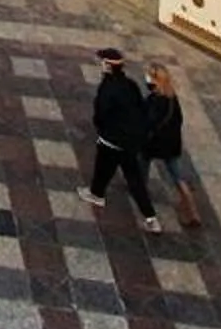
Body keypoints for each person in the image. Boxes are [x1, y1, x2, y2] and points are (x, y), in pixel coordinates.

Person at [87, 46, 163, 231]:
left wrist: (101, 129)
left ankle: (97, 195)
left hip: (111, 138)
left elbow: (101, 112)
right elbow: (139, 108)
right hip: (130, 141)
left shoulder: (108, 87)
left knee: (103, 166)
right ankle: (150, 218)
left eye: (102, 62)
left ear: (107, 66)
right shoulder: (130, 84)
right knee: (133, 178)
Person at [144, 62, 202, 231]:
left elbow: (148, 122)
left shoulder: (154, 100)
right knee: (177, 176)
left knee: (142, 163)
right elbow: (179, 120)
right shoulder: (172, 98)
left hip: (153, 143)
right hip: (172, 144)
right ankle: (193, 212)